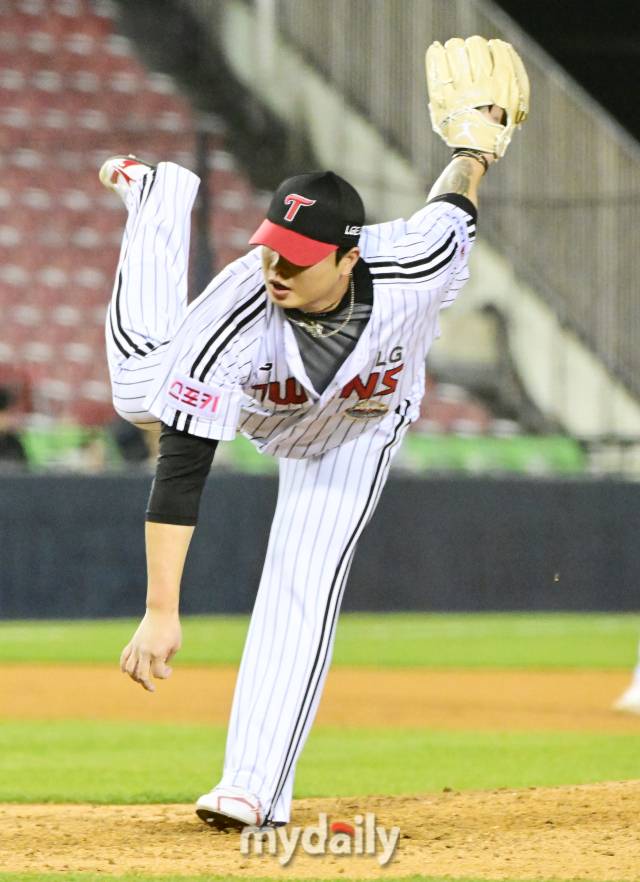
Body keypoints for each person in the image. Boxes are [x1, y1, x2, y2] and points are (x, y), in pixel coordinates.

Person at [103, 37, 529, 829]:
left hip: (357, 430)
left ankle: (251, 789)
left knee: (305, 580)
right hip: (260, 409)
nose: (277, 269)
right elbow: (183, 464)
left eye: (297, 260)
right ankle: (159, 200)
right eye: (272, 250)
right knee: (139, 393)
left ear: (347, 253)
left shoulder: (413, 263)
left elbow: (452, 205)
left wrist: (474, 147)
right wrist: (163, 608)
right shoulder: (238, 307)